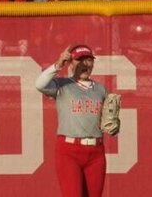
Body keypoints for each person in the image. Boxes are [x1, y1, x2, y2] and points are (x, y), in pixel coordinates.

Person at [35, 45, 113, 197]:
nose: (85, 64)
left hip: (96, 152)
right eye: (79, 60)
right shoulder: (63, 85)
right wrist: (58, 65)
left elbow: (107, 120)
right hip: (69, 151)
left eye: (88, 60)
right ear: (70, 63)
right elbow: (40, 84)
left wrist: (113, 124)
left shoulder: (101, 90)